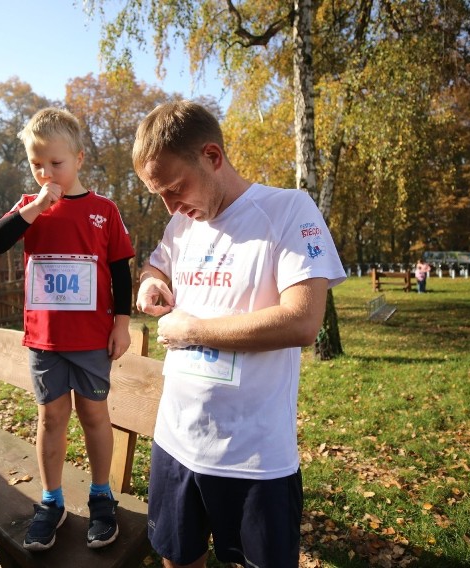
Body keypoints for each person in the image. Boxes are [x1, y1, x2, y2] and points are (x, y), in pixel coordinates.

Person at [133, 101, 346, 568]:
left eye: (174, 189)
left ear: (212, 156)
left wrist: (193, 331)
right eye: (160, 196)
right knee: (177, 557)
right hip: (176, 441)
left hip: (253, 457)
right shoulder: (181, 222)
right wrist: (152, 281)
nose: (171, 207)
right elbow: (156, 263)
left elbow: (302, 321)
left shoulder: (288, 210)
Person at [0, 107, 135, 552]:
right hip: (45, 341)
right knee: (51, 418)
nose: (46, 173)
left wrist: (121, 325)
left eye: (56, 164)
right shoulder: (29, 209)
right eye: (37, 165)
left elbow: (121, 273)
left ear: (79, 158)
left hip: (90, 340)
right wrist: (34, 208)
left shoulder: (104, 211)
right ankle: (51, 502)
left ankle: (101, 495)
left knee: (93, 416)